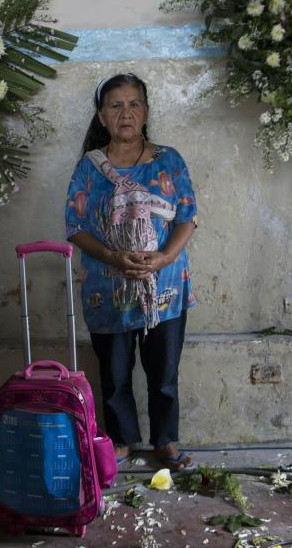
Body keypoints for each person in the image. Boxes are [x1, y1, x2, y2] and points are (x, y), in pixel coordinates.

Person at [64, 73, 198, 471]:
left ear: (146, 112)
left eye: (134, 104)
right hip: (108, 285)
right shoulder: (89, 169)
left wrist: (163, 258)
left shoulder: (169, 160)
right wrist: (113, 257)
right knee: (115, 372)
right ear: (102, 117)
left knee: (164, 372)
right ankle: (121, 439)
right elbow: (74, 226)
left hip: (165, 284)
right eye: (116, 105)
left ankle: (166, 441)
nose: (126, 112)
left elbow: (187, 218)